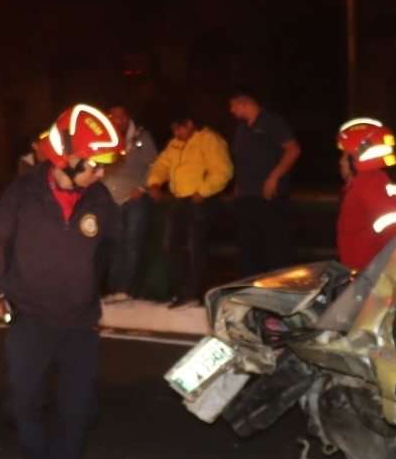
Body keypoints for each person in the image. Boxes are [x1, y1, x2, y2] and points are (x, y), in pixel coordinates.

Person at [0, 104, 121, 459]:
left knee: (77, 413)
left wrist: (88, 292)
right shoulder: (21, 194)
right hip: (30, 321)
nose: (101, 173)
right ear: (67, 159)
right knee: (21, 408)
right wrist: (7, 293)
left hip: (79, 325)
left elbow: (107, 253)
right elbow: (1, 245)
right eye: (95, 164)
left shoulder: (100, 201)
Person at [147, 115, 233, 307]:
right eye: (174, 130)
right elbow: (162, 164)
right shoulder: (175, 144)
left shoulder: (209, 139)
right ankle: (180, 293)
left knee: (195, 247)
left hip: (201, 199)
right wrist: (154, 182)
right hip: (180, 199)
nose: (176, 133)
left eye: (180, 129)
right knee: (171, 245)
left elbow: (223, 169)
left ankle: (193, 294)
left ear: (190, 124)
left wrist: (203, 191)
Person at [228, 90, 300, 275]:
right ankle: (252, 287)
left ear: (244, 102)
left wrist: (274, 177)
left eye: (233, 105)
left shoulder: (271, 121)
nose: (232, 110)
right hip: (246, 197)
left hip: (269, 197)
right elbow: (241, 160)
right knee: (248, 250)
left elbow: (293, 150)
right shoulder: (241, 128)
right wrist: (238, 187)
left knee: (275, 250)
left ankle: (278, 289)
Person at [334, 117, 396, 269]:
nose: (341, 162)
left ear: (357, 157)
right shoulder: (370, 181)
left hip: (368, 274)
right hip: (366, 271)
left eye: (344, 155)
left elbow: (393, 232)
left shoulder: (369, 183)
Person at [101, 103, 158, 302]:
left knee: (132, 242)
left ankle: (127, 288)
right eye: (113, 117)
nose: (118, 121)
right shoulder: (105, 138)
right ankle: (113, 288)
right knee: (114, 243)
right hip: (111, 198)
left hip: (134, 197)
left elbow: (154, 165)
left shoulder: (141, 137)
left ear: (127, 117)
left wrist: (142, 187)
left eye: (121, 117)